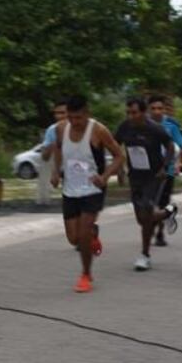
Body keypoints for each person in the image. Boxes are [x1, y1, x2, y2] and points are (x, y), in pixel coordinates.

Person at [50, 94, 124, 293]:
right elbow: (58, 148)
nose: (75, 122)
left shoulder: (98, 130)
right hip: (70, 189)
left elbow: (119, 156)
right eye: (71, 117)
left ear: (87, 113)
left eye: (79, 118)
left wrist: (105, 176)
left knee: (82, 234)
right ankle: (92, 234)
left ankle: (85, 274)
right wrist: (56, 171)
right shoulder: (61, 129)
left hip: (93, 188)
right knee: (73, 238)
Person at [114, 96, 176, 271]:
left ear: (143, 112)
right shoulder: (125, 126)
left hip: (154, 176)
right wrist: (119, 169)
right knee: (141, 219)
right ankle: (168, 212)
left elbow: (170, 146)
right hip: (135, 176)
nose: (130, 116)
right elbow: (115, 145)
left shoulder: (154, 128)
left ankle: (145, 255)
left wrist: (165, 167)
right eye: (128, 113)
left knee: (146, 212)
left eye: (134, 113)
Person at [148, 94, 182, 246]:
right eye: (153, 108)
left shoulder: (171, 126)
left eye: (160, 108)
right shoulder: (144, 125)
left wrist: (178, 158)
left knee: (161, 203)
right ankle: (169, 212)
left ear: (164, 109)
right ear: (148, 110)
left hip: (167, 171)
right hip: (147, 172)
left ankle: (159, 234)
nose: (157, 112)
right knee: (148, 203)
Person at [41, 99, 68, 164]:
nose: (59, 116)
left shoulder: (81, 127)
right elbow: (45, 157)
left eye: (62, 113)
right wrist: (54, 143)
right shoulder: (51, 130)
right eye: (56, 113)